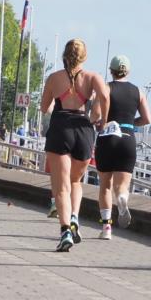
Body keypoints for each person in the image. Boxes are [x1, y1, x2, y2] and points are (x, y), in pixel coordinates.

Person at [39, 38, 110, 252]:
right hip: (83, 129)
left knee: (61, 187)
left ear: (65, 55)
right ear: (84, 57)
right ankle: (74, 218)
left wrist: (57, 106)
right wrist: (103, 121)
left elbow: (44, 107)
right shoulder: (92, 77)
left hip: (60, 127)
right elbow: (105, 96)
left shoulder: (54, 78)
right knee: (76, 181)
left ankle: (65, 232)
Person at [95, 55, 151, 238]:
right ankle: (122, 198)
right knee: (121, 186)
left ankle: (106, 228)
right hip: (127, 138)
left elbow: (95, 115)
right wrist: (131, 123)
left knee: (105, 185)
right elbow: (147, 119)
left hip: (107, 138)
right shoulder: (138, 92)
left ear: (111, 71)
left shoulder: (106, 88)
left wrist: (98, 122)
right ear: (128, 71)